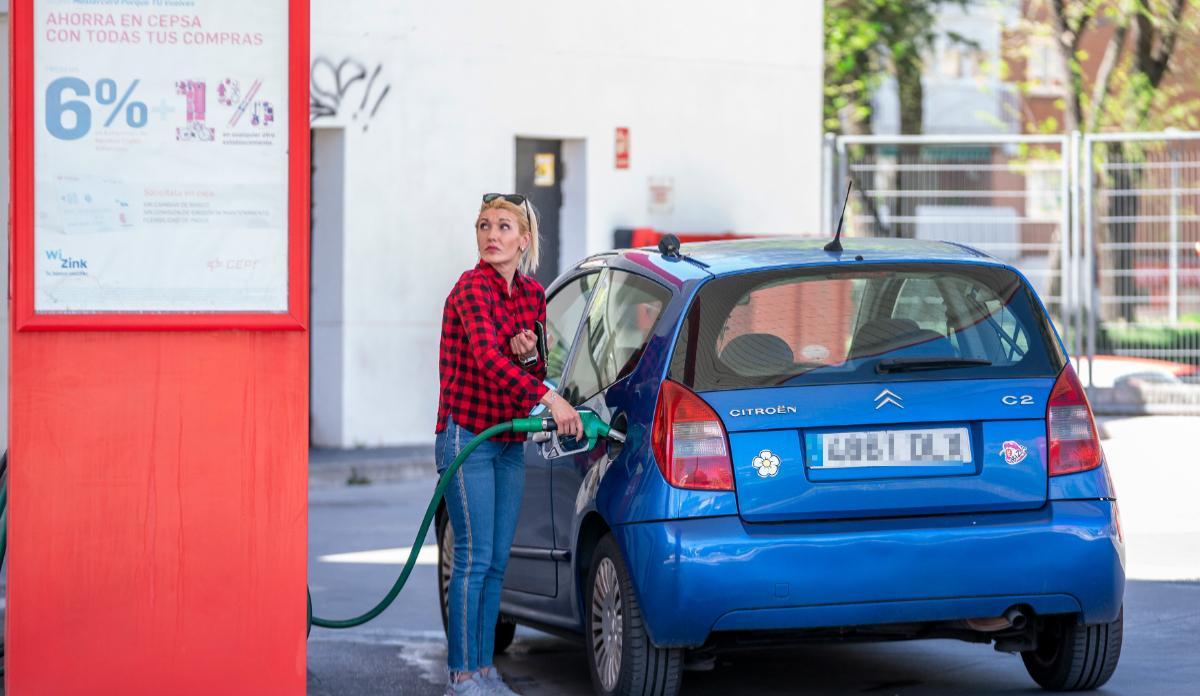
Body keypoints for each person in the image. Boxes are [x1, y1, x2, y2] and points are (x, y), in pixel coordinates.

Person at [434, 193, 582, 695]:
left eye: (502, 227)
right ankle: (462, 674)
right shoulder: (471, 289)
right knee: (473, 558)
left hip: (507, 440)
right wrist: (550, 398)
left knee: (496, 561)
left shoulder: (533, 295)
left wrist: (530, 362)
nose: (491, 236)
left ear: (524, 239)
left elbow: (528, 366)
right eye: (483, 226)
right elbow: (486, 361)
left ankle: (485, 671)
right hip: (468, 436)